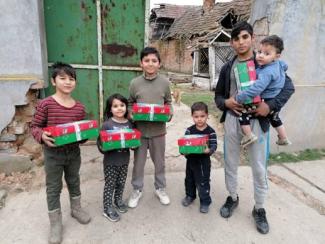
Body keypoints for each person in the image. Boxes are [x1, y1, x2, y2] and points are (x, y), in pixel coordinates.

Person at [214, 21, 295, 234]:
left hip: (258, 123)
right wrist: (227, 103)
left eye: (245, 37)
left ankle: (259, 208)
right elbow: (218, 97)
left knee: (258, 167)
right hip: (233, 119)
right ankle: (232, 197)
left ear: (252, 38)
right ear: (231, 43)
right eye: (236, 39)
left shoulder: (266, 63)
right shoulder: (227, 67)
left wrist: (269, 105)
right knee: (230, 162)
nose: (241, 42)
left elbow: (288, 88)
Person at [31, 62, 91, 244]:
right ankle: (56, 223)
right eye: (62, 78)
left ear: (75, 83)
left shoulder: (79, 108)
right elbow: (34, 126)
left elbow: (81, 134)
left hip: (73, 153)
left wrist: (85, 136)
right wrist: (42, 135)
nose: (67, 82)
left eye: (71, 79)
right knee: (54, 187)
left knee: (74, 180)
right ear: (53, 81)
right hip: (53, 155)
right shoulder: (46, 104)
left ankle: (76, 208)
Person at [128, 47, 173, 208]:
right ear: (141, 63)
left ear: (159, 64)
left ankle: (160, 188)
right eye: (146, 60)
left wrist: (169, 113)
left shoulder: (165, 83)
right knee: (138, 163)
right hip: (140, 131)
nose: (150, 63)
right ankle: (137, 189)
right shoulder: (134, 83)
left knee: (159, 162)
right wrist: (131, 113)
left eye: (154, 60)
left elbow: (168, 102)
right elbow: (130, 103)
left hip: (158, 131)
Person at [235, 35, 291, 147]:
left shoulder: (267, 72)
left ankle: (249, 135)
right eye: (259, 51)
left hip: (266, 100)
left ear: (277, 56)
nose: (260, 56)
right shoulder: (279, 64)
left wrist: (240, 97)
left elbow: (257, 89)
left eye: (266, 54)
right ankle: (284, 138)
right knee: (275, 118)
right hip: (274, 102)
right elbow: (285, 66)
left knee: (243, 113)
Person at [97, 93, 133, 222]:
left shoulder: (129, 124)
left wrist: (134, 144)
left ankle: (118, 201)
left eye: (122, 105)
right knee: (110, 184)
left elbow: (132, 141)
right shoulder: (107, 125)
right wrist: (105, 147)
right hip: (111, 162)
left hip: (124, 160)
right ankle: (107, 208)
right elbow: (100, 143)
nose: (119, 108)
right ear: (110, 109)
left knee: (121, 183)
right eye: (115, 106)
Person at [181, 102, 217, 213]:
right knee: (189, 180)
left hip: (203, 162)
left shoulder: (210, 132)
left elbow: (214, 145)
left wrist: (209, 150)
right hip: (191, 160)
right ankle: (190, 196)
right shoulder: (189, 130)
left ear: (207, 115)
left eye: (202, 116)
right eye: (196, 117)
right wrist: (184, 151)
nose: (199, 119)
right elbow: (185, 144)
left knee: (203, 182)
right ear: (192, 117)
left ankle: (205, 201)